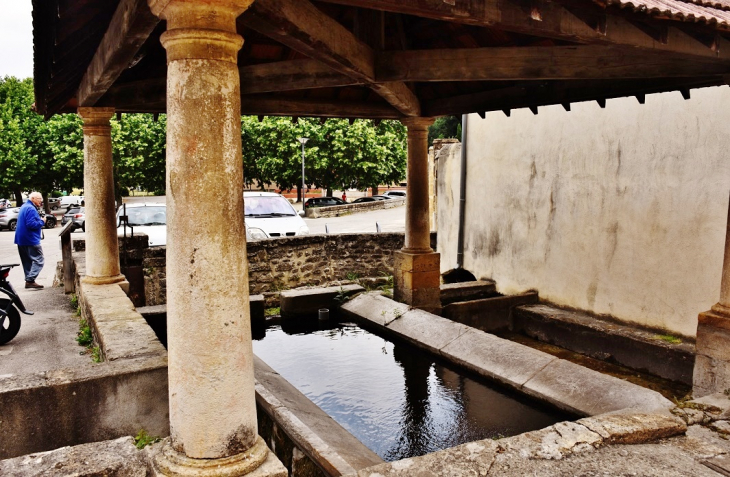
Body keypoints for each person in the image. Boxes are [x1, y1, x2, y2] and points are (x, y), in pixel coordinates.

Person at [14, 192, 46, 289]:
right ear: (33, 198)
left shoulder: (24, 206)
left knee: (27, 261)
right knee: (39, 259)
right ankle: (30, 280)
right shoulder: (31, 208)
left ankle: (29, 281)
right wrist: (42, 221)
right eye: (39, 199)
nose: (41, 201)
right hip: (30, 239)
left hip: (21, 239)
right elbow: (31, 224)